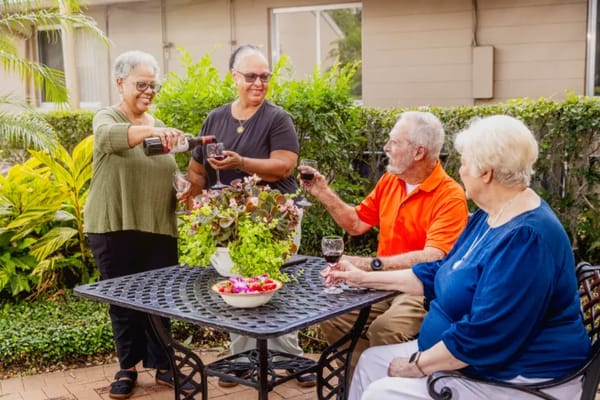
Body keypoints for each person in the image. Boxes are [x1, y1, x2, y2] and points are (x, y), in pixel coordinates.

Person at [326, 115, 591, 400]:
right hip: (474, 359)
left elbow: (486, 335)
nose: (460, 170)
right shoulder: (487, 217)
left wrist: (416, 366)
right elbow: (439, 271)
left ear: (486, 172)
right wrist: (365, 277)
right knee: (371, 362)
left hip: (521, 378)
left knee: (383, 392)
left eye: (464, 162)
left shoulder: (526, 239)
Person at [182, 44, 315, 388]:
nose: (259, 83)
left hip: (275, 219)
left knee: (278, 286)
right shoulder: (215, 118)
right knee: (237, 289)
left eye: (265, 76)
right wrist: (192, 204)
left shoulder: (276, 118)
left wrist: (240, 162)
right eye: (251, 76)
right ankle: (243, 358)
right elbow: (197, 169)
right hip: (230, 222)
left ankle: (288, 358)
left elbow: (284, 165)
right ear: (234, 77)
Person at [299, 111, 469, 370]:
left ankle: (385, 385)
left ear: (418, 152)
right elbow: (356, 224)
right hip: (380, 286)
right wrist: (322, 192)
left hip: (420, 288)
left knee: (385, 329)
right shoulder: (392, 181)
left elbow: (433, 256)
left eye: (394, 142)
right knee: (332, 317)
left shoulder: (450, 196)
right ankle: (362, 379)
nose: (386, 148)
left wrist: (370, 264)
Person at [84, 50, 193, 399]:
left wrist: (183, 187)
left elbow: (168, 174)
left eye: (153, 85)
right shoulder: (107, 116)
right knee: (122, 299)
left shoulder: (158, 127)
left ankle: (163, 366)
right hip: (113, 223)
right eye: (141, 84)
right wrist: (150, 130)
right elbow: (107, 138)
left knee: (162, 298)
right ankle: (127, 368)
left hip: (157, 225)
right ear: (120, 83)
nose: (149, 91)